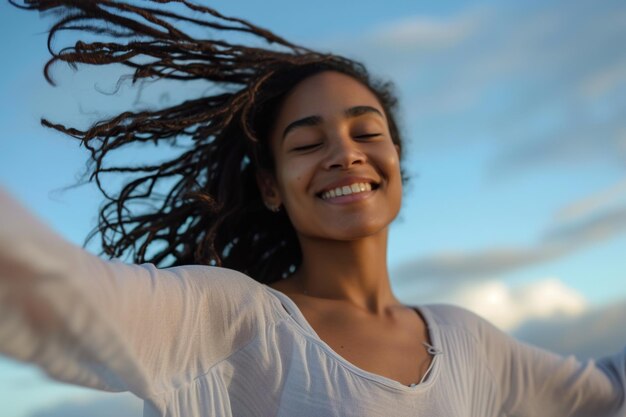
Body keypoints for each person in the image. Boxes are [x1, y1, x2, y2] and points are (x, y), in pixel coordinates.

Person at [1, 1, 625, 416]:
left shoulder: (466, 341)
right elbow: (57, 290)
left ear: (396, 163)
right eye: (307, 142)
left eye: (366, 132)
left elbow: (606, 388)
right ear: (271, 187)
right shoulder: (232, 319)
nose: (344, 155)